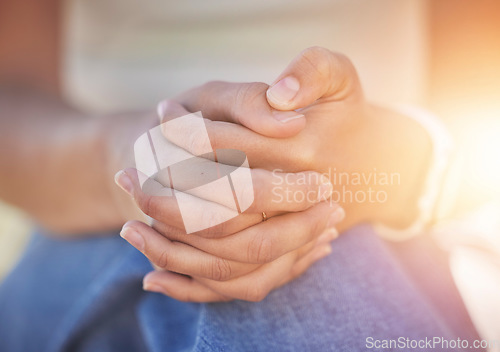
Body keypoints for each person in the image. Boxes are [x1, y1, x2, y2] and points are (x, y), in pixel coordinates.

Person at [0, 0, 482, 350]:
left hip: (383, 215)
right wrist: (125, 158)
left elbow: (482, 108)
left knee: (321, 265)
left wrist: (378, 164)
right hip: (91, 211)